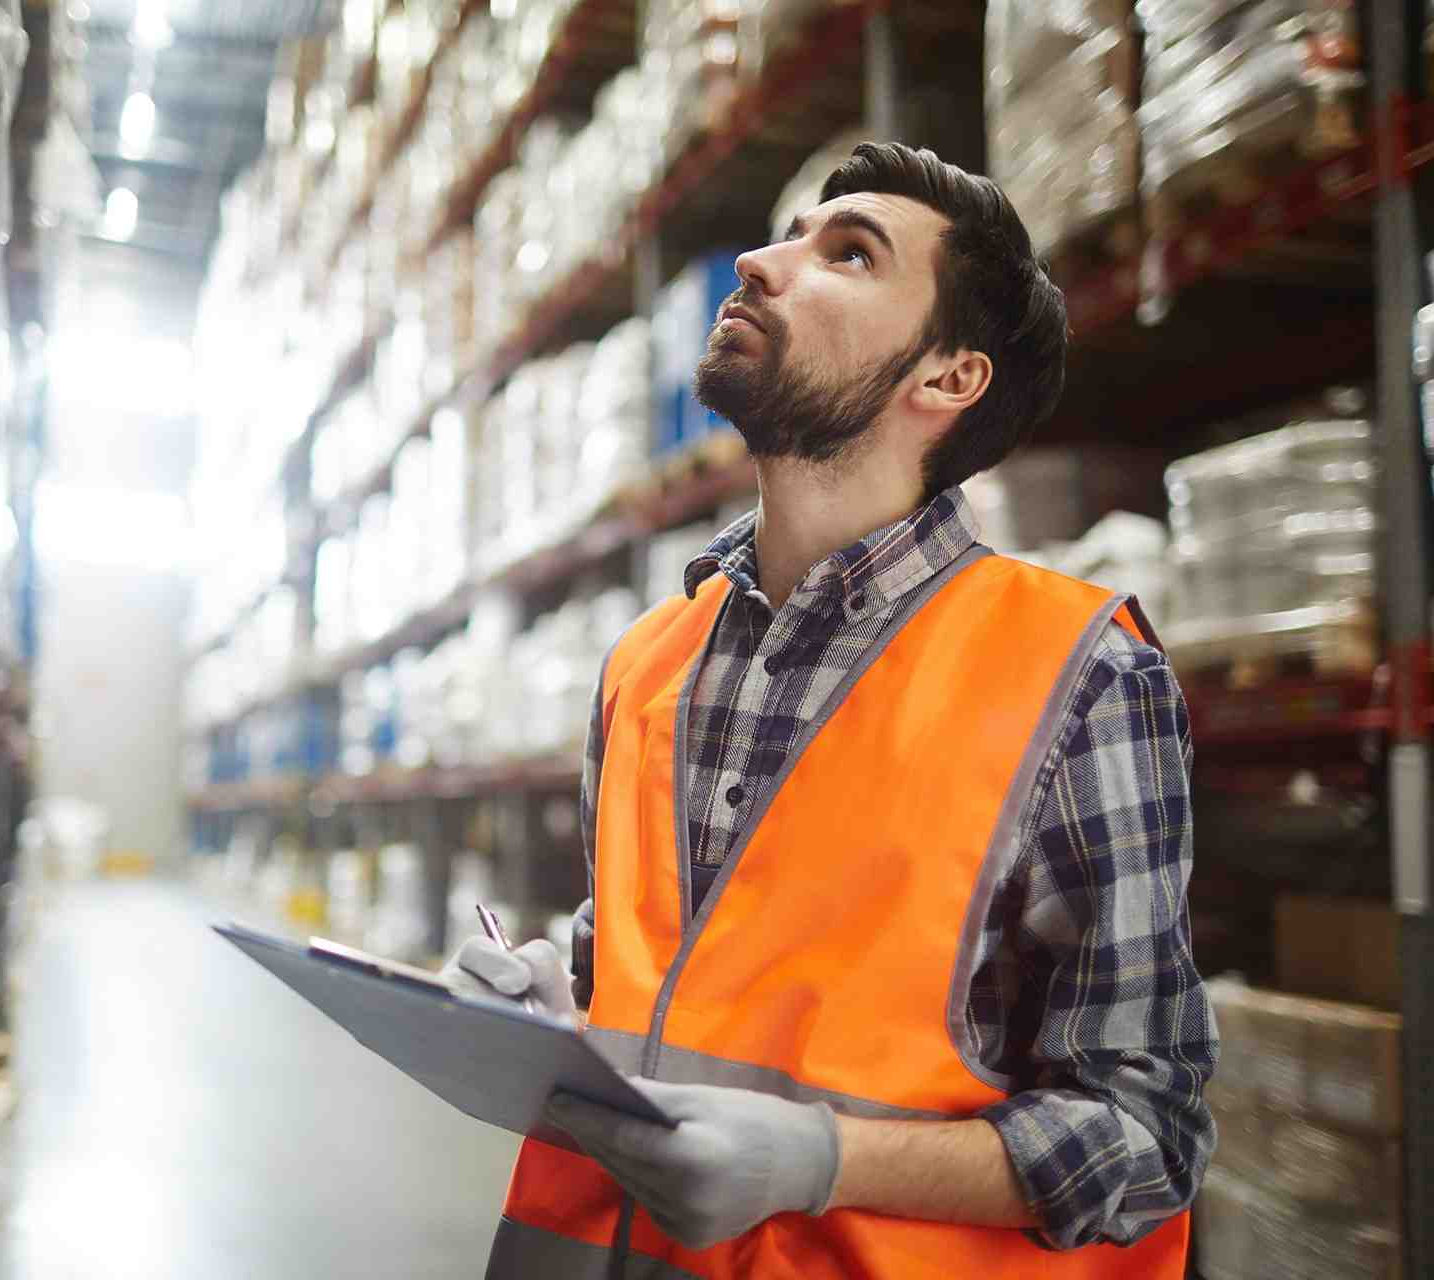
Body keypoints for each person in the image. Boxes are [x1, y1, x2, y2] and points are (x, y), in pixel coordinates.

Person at [442, 142, 1217, 1278]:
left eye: (848, 253)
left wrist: (823, 1156)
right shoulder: (647, 662)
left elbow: (1147, 1133)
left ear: (948, 378)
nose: (758, 262)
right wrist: (552, 1024)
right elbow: (649, 983)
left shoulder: (1078, 673)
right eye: (786, 234)